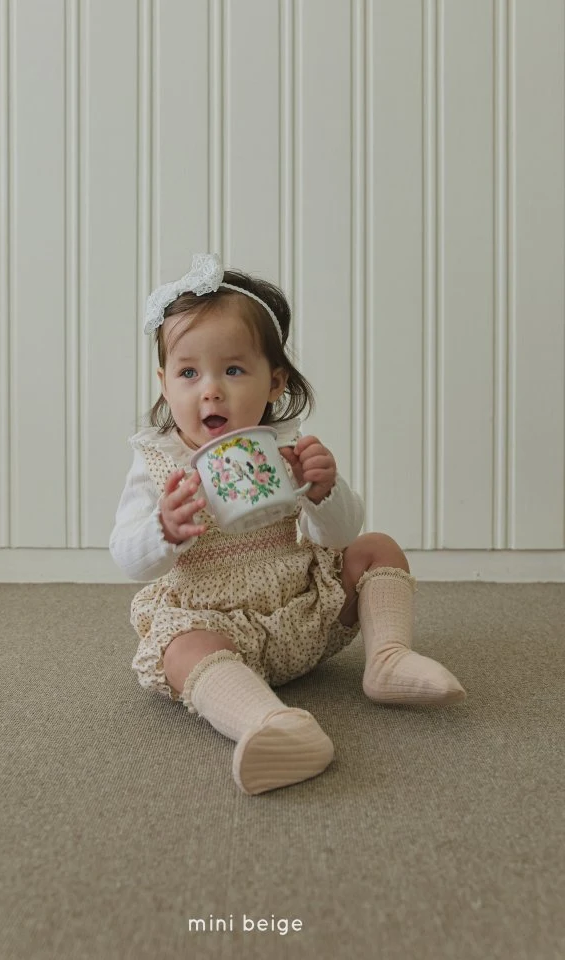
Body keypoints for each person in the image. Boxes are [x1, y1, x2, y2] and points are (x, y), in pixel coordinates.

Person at [109, 253, 466, 796]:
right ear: (164, 383)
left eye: (233, 370)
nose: (210, 390)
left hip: (302, 613)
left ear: (274, 382)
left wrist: (324, 490)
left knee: (377, 545)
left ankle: (389, 659)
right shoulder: (156, 463)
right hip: (220, 626)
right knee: (178, 648)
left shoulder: (283, 448)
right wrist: (163, 529)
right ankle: (269, 722)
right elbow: (127, 557)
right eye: (188, 372)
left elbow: (341, 535)